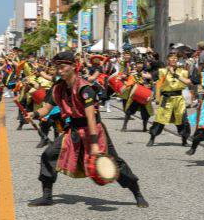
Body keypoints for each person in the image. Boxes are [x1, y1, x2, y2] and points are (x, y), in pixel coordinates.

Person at [24, 51, 148, 208]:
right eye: (57, 68)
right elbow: (46, 109)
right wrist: (33, 114)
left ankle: (137, 193)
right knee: (48, 155)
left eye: (62, 67)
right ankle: (47, 196)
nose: (59, 71)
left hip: (93, 130)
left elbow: (90, 118)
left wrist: (95, 144)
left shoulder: (85, 88)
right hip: (74, 130)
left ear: (73, 66)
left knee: (115, 162)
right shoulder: (57, 88)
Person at [147, 52, 191, 147]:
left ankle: (184, 140)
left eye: (175, 58)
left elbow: (189, 82)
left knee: (182, 119)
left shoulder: (183, 71)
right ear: (168, 60)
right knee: (160, 119)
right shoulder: (162, 71)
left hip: (179, 99)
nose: (174, 60)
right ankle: (152, 138)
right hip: (166, 98)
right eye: (171, 58)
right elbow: (152, 77)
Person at [121, 59, 153, 133]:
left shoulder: (146, 73)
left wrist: (148, 85)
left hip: (143, 95)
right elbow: (129, 82)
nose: (139, 65)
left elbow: (150, 81)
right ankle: (124, 126)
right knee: (129, 111)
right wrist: (124, 85)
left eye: (141, 64)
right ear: (136, 65)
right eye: (138, 63)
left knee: (145, 113)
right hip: (135, 95)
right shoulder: (132, 74)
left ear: (143, 65)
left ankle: (144, 127)